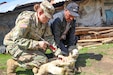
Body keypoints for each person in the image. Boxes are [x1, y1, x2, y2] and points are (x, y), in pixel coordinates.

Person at [3, 0, 60, 75]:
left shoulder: (45, 23)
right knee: (42, 60)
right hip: (14, 44)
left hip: (28, 45)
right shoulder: (26, 20)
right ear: (40, 12)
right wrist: (37, 44)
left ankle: (36, 68)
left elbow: (49, 38)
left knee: (42, 57)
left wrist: (58, 53)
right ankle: (14, 63)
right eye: (47, 17)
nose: (48, 20)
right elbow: (17, 39)